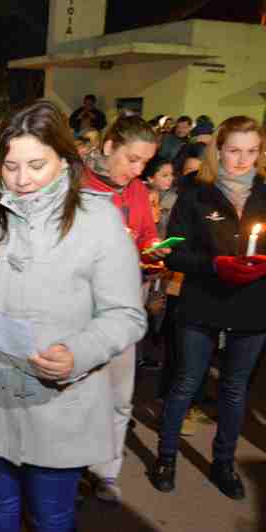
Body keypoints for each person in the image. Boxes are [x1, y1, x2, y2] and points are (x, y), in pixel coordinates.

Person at [0, 100, 146, 532]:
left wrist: (78, 351)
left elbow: (126, 314)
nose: (21, 178)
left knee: (51, 516)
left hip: (62, 400)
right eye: (10, 166)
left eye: (36, 164)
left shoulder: (98, 220)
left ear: (64, 160)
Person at [152, 116, 266, 501]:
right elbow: (175, 251)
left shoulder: (265, 192)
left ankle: (223, 463)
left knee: (234, 390)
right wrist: (213, 264)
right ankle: (166, 458)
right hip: (202, 302)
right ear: (218, 150)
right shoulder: (196, 193)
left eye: (252, 151)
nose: (242, 160)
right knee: (185, 382)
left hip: (252, 307)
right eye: (234, 150)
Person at [82, 115, 168, 502]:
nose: (137, 171)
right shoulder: (76, 183)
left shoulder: (135, 190)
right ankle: (68, 469)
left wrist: (154, 250)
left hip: (124, 305)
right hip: (81, 305)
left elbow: (148, 235)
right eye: (131, 159)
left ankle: (106, 471)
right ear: (109, 145)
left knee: (118, 394)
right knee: (76, 393)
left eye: (145, 164)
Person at [142, 156, 177, 237]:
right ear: (150, 178)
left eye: (172, 174)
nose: (171, 178)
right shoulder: (139, 194)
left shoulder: (171, 197)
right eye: (165, 175)